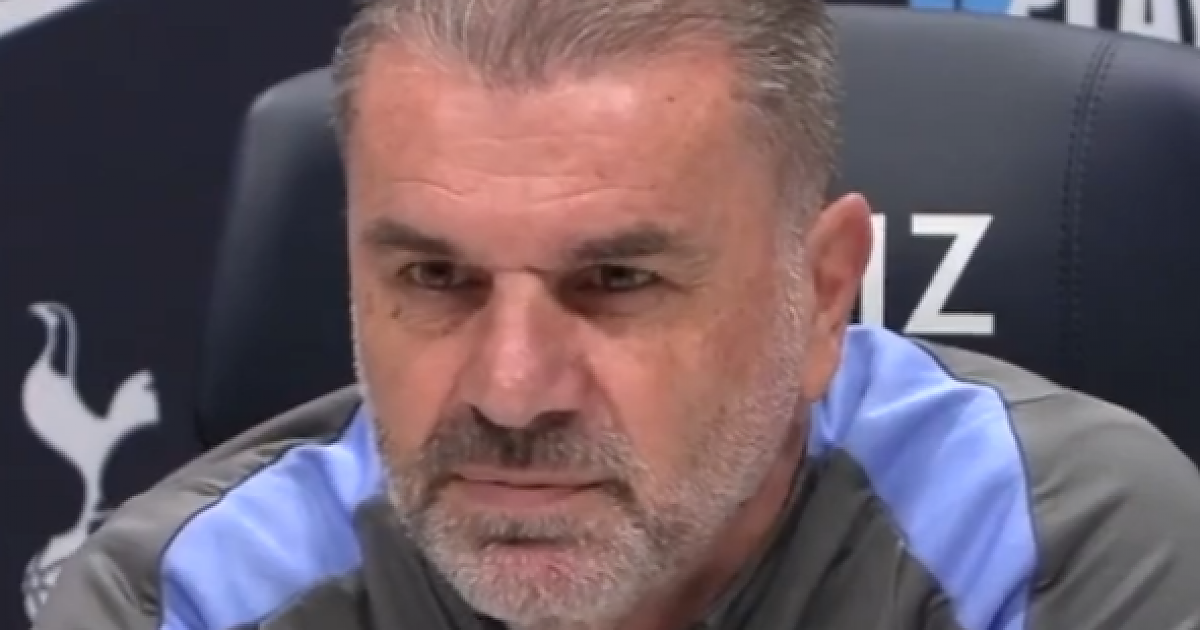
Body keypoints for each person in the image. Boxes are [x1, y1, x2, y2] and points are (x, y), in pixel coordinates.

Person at [34, 0, 1200, 626]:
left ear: (820, 295)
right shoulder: (187, 600)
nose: (511, 390)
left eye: (618, 283)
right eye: (435, 279)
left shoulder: (1053, 551)